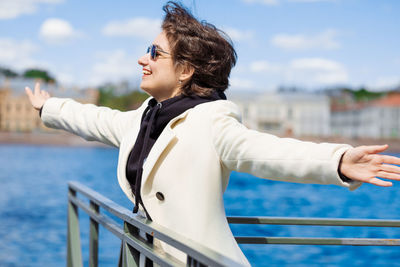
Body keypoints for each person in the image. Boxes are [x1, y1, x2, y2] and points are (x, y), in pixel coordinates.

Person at [25, 1, 400, 266]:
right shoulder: (146, 116)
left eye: (155, 53)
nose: (143, 59)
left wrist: (336, 160)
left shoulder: (211, 120)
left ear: (185, 70)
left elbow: (263, 151)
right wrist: (49, 107)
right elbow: (97, 119)